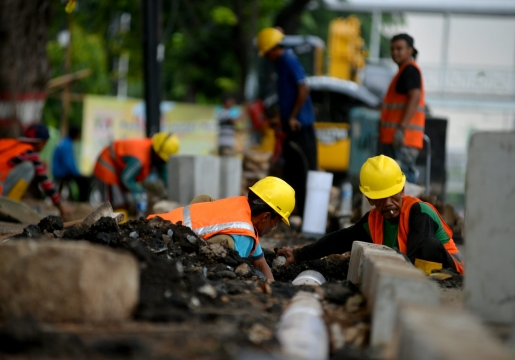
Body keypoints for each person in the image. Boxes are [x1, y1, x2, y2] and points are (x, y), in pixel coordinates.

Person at [277, 155, 465, 275]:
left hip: (449, 273)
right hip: (412, 276)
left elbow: (417, 254)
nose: (389, 203)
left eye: (394, 195)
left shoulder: (420, 213)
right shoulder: (373, 221)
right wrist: (298, 254)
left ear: (402, 189)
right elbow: (338, 240)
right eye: (381, 199)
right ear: (369, 199)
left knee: (427, 245)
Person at [147, 176, 296, 281]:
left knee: (206, 199)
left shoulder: (240, 207)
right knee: (228, 248)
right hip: (156, 245)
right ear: (265, 217)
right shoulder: (244, 236)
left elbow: (260, 262)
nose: (274, 227)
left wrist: (272, 284)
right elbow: (245, 262)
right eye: (275, 222)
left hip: (153, 224)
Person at [257, 27, 318, 216]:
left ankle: (307, 213)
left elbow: (303, 88)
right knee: (291, 170)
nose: (267, 57)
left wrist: (292, 117)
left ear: (272, 48)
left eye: (267, 53)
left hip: (301, 126)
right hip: (290, 126)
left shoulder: (289, 59)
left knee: (304, 170)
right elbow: (287, 95)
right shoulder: (280, 64)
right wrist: (281, 117)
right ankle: (293, 210)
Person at [0, 124, 72, 220]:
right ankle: (9, 207)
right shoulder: (29, 153)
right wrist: (60, 206)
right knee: (28, 167)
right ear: (41, 143)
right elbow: (45, 182)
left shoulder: (6, 143)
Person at [93, 132, 179, 213]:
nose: (162, 161)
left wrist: (168, 189)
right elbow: (126, 179)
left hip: (119, 167)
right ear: (157, 153)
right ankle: (109, 224)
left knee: (124, 202)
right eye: (162, 158)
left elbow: (163, 170)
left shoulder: (154, 148)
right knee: (116, 203)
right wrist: (140, 191)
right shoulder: (138, 160)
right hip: (107, 164)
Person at [379, 33, 425, 184]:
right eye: (392, 49)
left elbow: (415, 96)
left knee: (403, 181)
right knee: (396, 181)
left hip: (403, 139)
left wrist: (401, 128)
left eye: (399, 48)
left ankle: (407, 208)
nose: (395, 52)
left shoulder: (409, 70)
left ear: (410, 50)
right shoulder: (403, 71)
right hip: (399, 139)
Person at [52, 126, 91, 202]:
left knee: (82, 179)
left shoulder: (65, 142)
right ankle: (83, 201)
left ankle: (80, 200)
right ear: (76, 135)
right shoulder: (67, 145)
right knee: (84, 181)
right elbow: (68, 164)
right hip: (62, 172)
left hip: (60, 171)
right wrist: (77, 173)